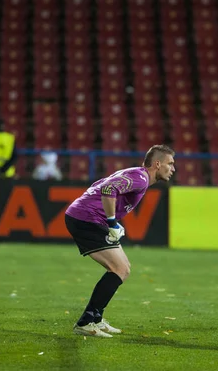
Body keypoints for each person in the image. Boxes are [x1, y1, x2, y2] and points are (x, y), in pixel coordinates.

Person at [64, 144, 176, 337]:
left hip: (86, 216)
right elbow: (108, 187)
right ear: (157, 164)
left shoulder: (136, 174)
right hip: (87, 219)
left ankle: (95, 318)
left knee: (123, 268)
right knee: (119, 269)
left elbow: (100, 183)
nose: (173, 168)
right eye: (170, 163)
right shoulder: (141, 178)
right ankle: (86, 321)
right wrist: (112, 222)